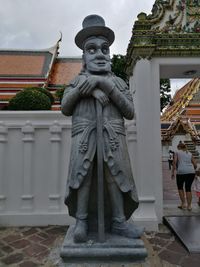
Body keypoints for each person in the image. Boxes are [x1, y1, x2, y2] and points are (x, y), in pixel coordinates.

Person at [61, 14, 141, 243]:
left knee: (114, 176)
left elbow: (129, 111)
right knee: (83, 177)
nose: (99, 54)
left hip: (112, 137)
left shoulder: (118, 82)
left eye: (104, 49)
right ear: (84, 57)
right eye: (92, 49)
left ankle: (118, 221)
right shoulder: (77, 82)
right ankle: (82, 221)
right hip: (85, 138)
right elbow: (66, 107)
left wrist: (104, 84)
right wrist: (84, 89)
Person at [171, 142, 197, 211]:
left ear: (179, 147)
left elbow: (174, 162)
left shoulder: (177, 152)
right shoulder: (189, 153)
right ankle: (189, 206)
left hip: (181, 172)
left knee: (180, 188)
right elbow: (195, 164)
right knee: (188, 188)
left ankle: (183, 204)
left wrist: (173, 172)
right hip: (191, 172)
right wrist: (192, 170)